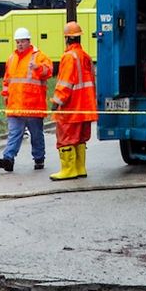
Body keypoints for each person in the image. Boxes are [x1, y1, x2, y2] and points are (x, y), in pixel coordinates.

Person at [0, 26, 53, 172]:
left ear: (28, 41)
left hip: (33, 105)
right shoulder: (12, 58)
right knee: (14, 133)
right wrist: (5, 95)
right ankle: (8, 159)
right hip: (15, 105)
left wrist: (38, 67)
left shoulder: (38, 57)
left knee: (36, 135)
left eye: (22, 41)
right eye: (18, 42)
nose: (20, 44)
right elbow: (7, 80)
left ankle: (39, 159)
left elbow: (49, 71)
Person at [49, 20, 95, 181]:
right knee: (81, 138)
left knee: (66, 138)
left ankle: (68, 169)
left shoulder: (69, 57)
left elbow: (65, 83)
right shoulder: (86, 57)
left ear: (67, 39)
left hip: (72, 107)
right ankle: (80, 167)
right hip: (86, 106)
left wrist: (56, 102)